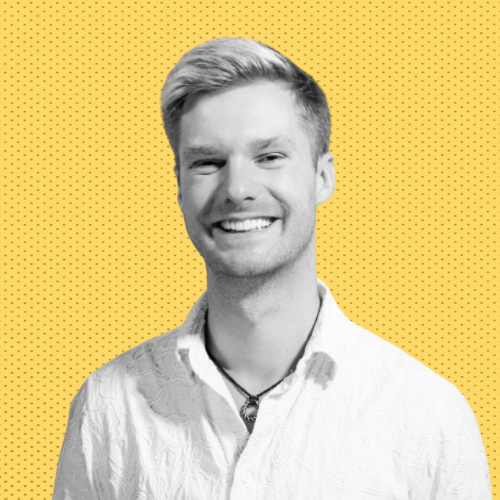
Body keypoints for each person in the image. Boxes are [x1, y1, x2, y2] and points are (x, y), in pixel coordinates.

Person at [52, 38, 492, 499]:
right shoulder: (109, 405)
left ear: (323, 177)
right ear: (179, 186)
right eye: (208, 162)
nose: (237, 189)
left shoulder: (428, 418)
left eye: (269, 157)